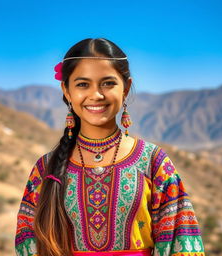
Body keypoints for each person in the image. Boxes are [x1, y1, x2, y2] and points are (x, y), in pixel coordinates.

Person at [15, 38, 205, 256]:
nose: (96, 95)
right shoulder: (45, 169)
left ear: (126, 87)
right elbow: (28, 245)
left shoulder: (154, 162)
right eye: (83, 84)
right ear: (66, 90)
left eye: (107, 83)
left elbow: (180, 243)